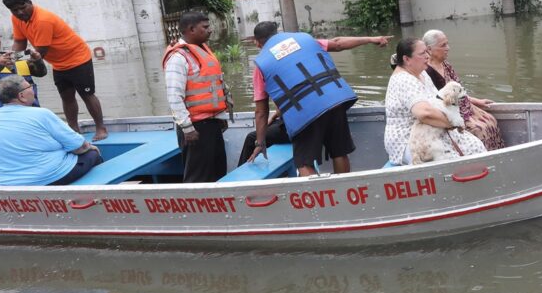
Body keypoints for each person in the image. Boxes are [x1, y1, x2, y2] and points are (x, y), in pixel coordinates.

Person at [246, 21, 390, 176]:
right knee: (339, 153)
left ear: (257, 42)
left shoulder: (261, 64)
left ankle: (319, 199)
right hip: (335, 100)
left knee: (303, 163)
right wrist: (370, 39)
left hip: (305, 114)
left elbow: (261, 112)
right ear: (278, 32)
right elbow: (338, 44)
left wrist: (260, 143)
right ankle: (341, 191)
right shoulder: (304, 40)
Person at [2, 0, 109, 141]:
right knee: (66, 96)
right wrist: (13, 59)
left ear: (30, 3)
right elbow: (20, 41)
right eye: (15, 10)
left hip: (77, 58)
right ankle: (73, 130)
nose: (20, 12)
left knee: (87, 94)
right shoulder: (17, 19)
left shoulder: (43, 20)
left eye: (23, 7)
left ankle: (101, 128)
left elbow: (41, 51)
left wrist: (28, 64)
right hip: (58, 64)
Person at [0, 75, 103, 186]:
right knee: (92, 154)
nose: (33, 90)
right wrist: (90, 148)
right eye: (30, 87)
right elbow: (79, 147)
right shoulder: (41, 114)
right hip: (48, 178)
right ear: (21, 96)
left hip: (2, 182)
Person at [384, 38, 486, 165]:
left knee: (474, 144)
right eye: (422, 54)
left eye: (427, 52)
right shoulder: (404, 80)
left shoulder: (422, 73)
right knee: (458, 158)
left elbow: (438, 100)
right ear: (406, 59)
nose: (428, 56)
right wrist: (453, 123)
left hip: (432, 131)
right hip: (410, 140)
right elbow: (425, 113)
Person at [163, 12, 232, 183]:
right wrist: (187, 128)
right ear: (191, 29)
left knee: (217, 172)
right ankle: (197, 210)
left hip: (212, 124)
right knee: (198, 177)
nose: (210, 30)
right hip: (195, 128)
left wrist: (219, 117)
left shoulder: (203, 51)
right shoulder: (178, 58)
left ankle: (219, 208)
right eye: (205, 27)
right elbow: (174, 96)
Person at [422, 29, 505, 151]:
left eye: (447, 44)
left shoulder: (445, 64)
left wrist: (476, 101)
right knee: (479, 130)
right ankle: (484, 161)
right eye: (443, 45)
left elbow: (460, 90)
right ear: (429, 49)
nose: (448, 48)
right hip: (452, 112)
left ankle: (497, 155)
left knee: (490, 120)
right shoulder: (427, 72)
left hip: (466, 107)